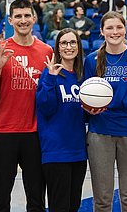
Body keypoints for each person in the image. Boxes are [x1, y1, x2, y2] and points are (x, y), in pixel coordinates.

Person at [0, 0, 53, 212]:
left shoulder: (47, 51)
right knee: (0, 197)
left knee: (36, 197)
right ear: (10, 20)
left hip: (35, 132)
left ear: (34, 18)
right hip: (3, 132)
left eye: (27, 16)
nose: (23, 20)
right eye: (18, 16)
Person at [83, 11, 127, 212]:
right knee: (102, 198)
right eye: (110, 28)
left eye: (119, 27)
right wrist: (89, 109)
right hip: (100, 131)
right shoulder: (92, 60)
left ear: (125, 29)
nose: (115, 32)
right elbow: (85, 98)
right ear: (102, 31)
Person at [36, 28, 87, 212]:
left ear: (78, 47)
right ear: (57, 48)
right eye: (63, 43)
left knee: (74, 206)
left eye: (73, 42)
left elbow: (86, 113)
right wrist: (50, 79)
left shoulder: (83, 76)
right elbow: (45, 108)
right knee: (59, 206)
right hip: (56, 151)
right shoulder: (49, 73)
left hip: (79, 152)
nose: (68, 47)